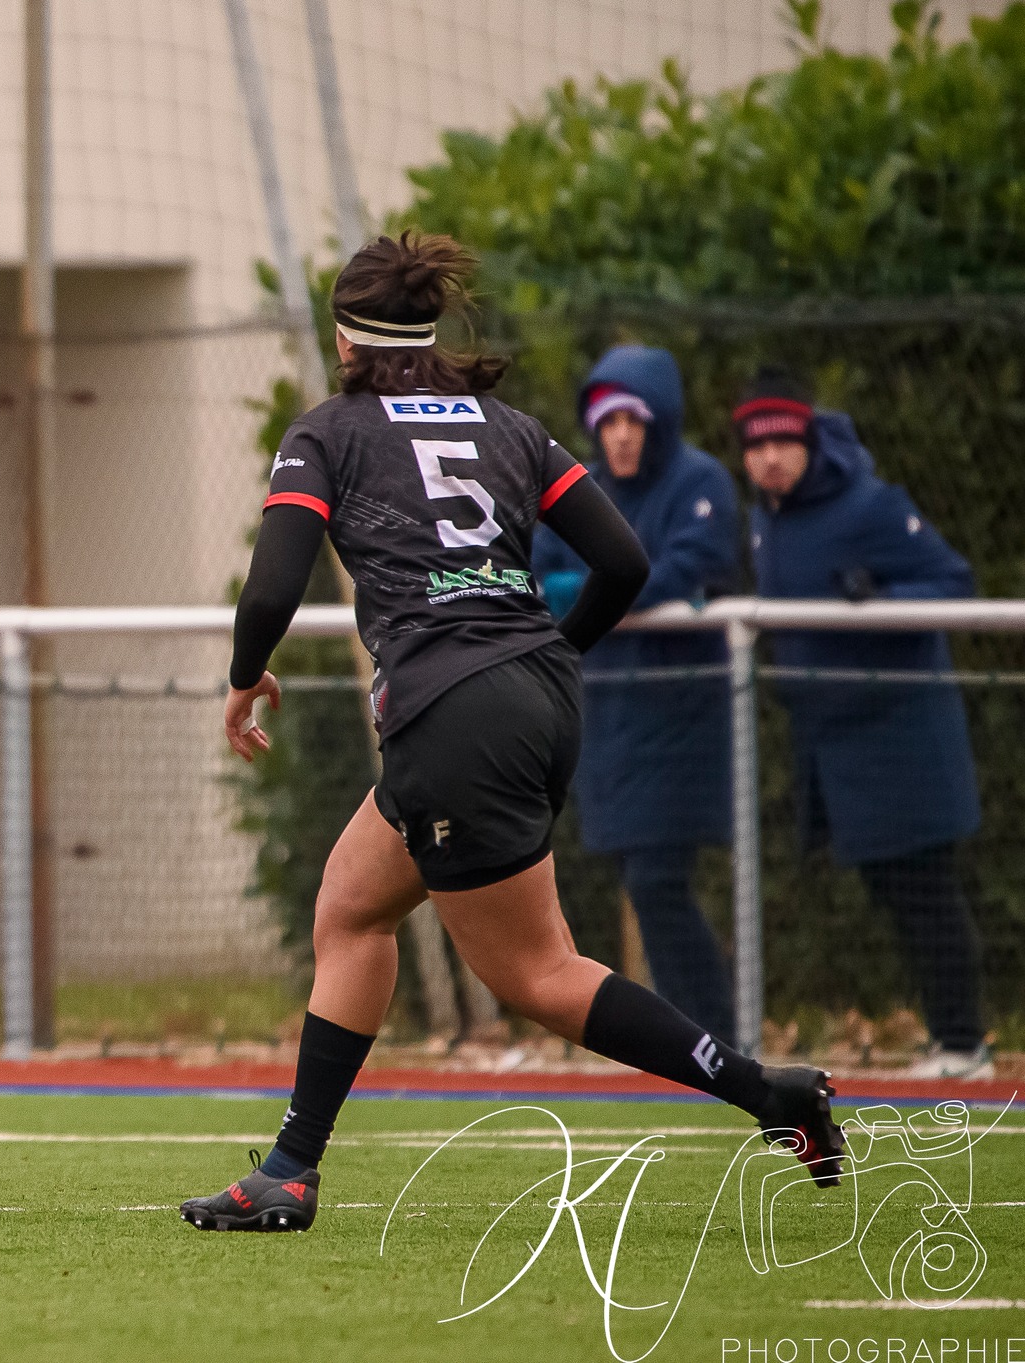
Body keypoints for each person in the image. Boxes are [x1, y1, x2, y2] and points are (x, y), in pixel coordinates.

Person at [180, 233, 844, 1234]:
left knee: (536, 972)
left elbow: (271, 584)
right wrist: (544, 656)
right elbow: (620, 562)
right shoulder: (510, 428)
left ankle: (767, 1093)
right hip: (530, 693)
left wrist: (241, 680)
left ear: (344, 338)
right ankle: (289, 1168)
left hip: (450, 712)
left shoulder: (325, 433)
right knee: (352, 905)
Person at [737, 369, 991, 1080]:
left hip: (903, 738)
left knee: (925, 890)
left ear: (810, 442)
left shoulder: (873, 505)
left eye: (785, 441)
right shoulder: (765, 518)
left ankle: (963, 1045)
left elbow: (952, 581)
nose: (771, 458)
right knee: (894, 891)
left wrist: (879, 600)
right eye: (757, 447)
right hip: (834, 746)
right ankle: (951, 1039)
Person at [533, 346, 741, 1043]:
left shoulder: (701, 480)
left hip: (682, 719)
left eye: (633, 418)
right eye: (607, 419)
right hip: (606, 719)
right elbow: (538, 573)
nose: (619, 433)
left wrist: (589, 587)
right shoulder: (580, 482)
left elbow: (681, 568)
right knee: (645, 886)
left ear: (661, 421)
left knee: (658, 882)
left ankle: (718, 1037)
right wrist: (593, 586)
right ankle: (702, 1040)